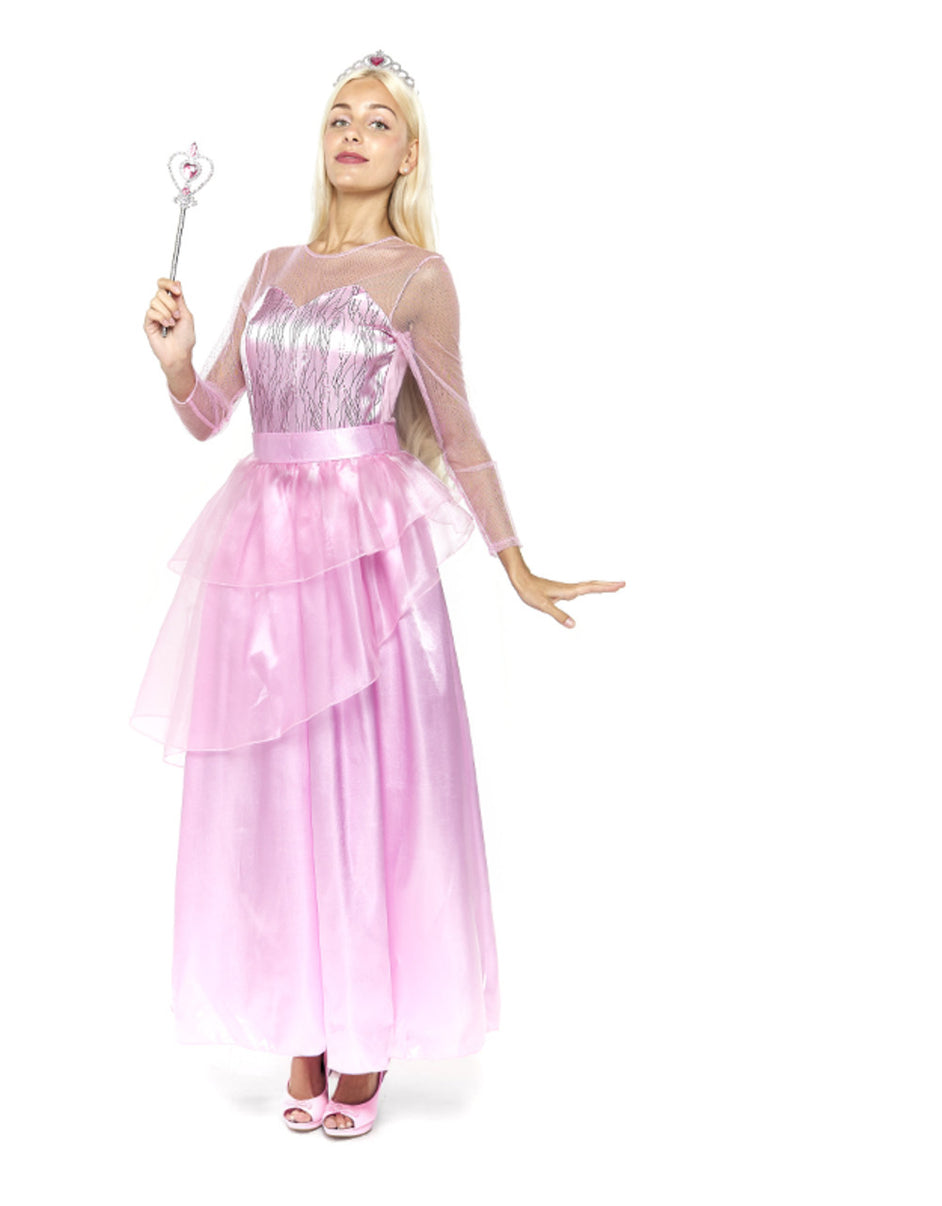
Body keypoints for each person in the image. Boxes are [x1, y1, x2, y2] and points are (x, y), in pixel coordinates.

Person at [134, 50, 625, 1138]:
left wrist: (516, 561)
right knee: (280, 788)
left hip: (364, 558)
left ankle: (360, 1034)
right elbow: (213, 417)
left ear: (408, 156)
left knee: (365, 784)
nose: (353, 134)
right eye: (339, 119)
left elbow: (458, 429)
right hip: (266, 552)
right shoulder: (270, 266)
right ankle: (302, 1027)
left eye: (378, 123)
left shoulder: (420, 276)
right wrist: (175, 364)